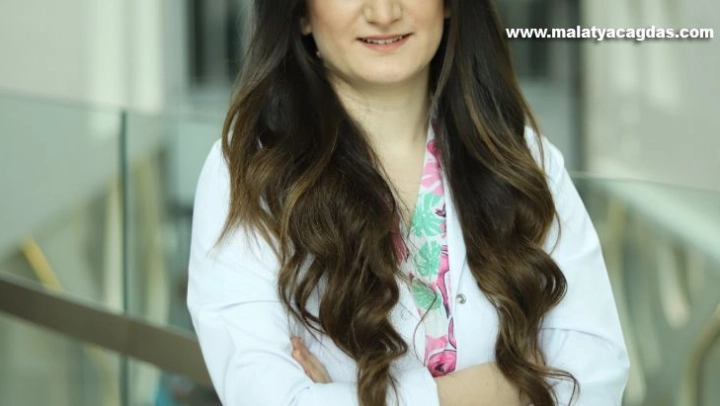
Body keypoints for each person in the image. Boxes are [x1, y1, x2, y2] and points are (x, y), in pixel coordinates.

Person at [186, 0, 630, 405]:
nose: (383, 13)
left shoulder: (522, 160)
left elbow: (595, 374)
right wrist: (499, 388)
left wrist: (352, 397)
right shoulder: (248, 173)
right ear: (300, 13)